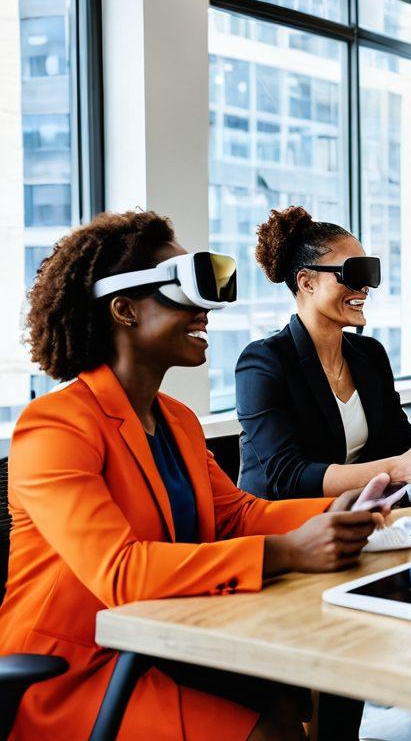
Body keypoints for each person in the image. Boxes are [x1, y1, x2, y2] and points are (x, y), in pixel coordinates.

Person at [0, 211, 390, 741]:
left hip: (168, 641)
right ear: (124, 310)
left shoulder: (177, 419)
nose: (205, 309)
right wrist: (290, 550)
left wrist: (338, 514)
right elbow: (121, 572)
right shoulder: (54, 426)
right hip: (77, 671)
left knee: (286, 710)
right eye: (182, 290)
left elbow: (239, 515)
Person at [236, 207, 411, 502]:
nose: (365, 287)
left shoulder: (369, 354)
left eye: (369, 273)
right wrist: (399, 467)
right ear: (307, 282)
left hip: (356, 514)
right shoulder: (263, 362)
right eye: (352, 273)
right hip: (283, 526)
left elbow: (399, 443)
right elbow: (288, 477)